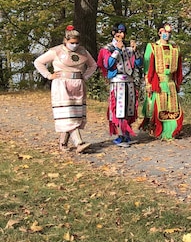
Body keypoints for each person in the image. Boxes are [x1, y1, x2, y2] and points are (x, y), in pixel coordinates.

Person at [34, 25, 97, 153]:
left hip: (78, 85)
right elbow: (38, 62)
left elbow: (93, 65)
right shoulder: (56, 51)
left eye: (77, 42)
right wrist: (49, 75)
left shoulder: (83, 51)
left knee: (75, 114)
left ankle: (63, 143)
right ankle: (79, 142)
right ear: (65, 40)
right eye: (72, 43)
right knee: (67, 114)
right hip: (61, 85)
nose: (75, 45)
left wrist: (85, 76)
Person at [97, 23, 143, 147]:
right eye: (119, 32)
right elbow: (107, 64)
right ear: (114, 33)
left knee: (129, 108)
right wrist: (117, 50)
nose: (121, 35)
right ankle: (121, 135)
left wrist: (136, 51)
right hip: (117, 83)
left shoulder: (128, 48)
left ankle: (127, 134)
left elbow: (139, 64)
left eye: (123, 32)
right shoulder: (108, 48)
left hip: (129, 82)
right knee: (119, 109)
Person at [140, 23, 184, 140]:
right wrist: (148, 83)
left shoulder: (175, 48)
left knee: (173, 108)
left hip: (170, 83)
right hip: (158, 82)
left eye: (169, 32)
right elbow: (147, 67)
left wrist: (177, 83)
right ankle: (157, 129)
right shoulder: (153, 47)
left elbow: (179, 68)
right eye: (165, 31)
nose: (167, 34)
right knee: (159, 107)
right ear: (160, 32)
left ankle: (172, 130)